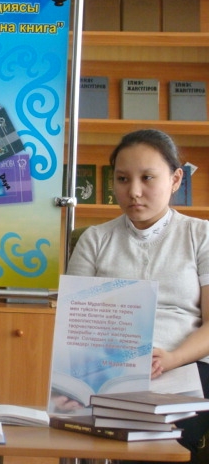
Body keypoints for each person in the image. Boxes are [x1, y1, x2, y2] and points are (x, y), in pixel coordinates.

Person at [66, 129, 209, 463]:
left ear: (176, 179)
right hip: (110, 369)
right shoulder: (94, 240)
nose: (133, 191)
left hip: (185, 364)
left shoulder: (200, 235)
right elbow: (76, 327)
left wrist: (172, 358)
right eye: (122, 179)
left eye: (147, 178)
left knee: (160, 441)